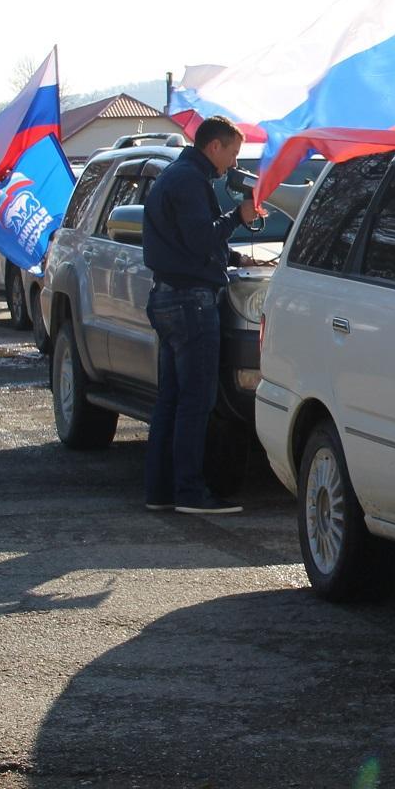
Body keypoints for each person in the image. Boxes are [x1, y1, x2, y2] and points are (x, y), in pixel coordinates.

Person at [140, 116, 260, 515]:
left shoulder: (175, 176)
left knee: (172, 400)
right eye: (233, 153)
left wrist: (230, 255)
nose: (232, 163)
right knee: (197, 400)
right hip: (190, 302)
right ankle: (191, 492)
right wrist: (238, 218)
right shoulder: (190, 181)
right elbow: (199, 239)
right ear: (215, 147)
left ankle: (160, 490)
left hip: (168, 296)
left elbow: (187, 241)